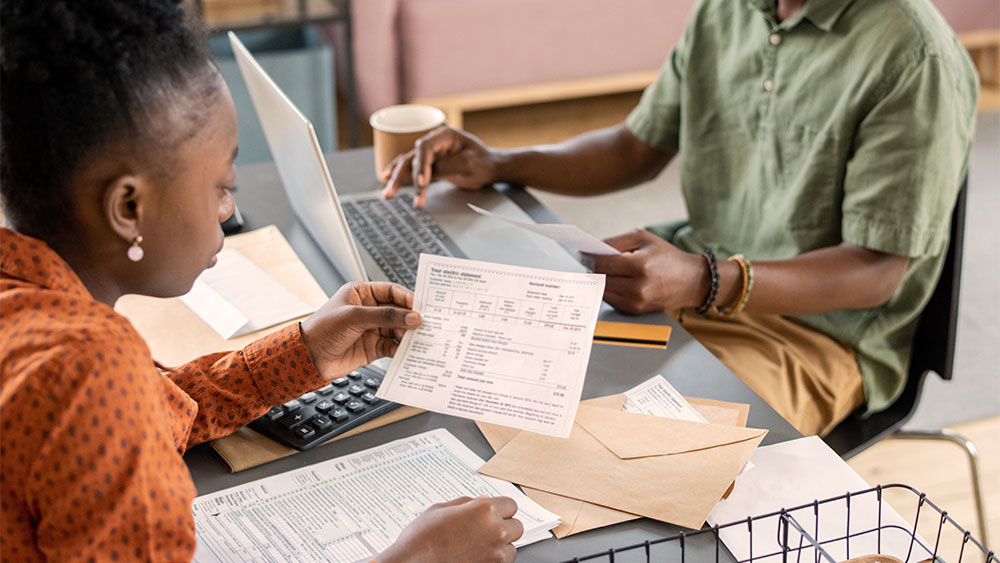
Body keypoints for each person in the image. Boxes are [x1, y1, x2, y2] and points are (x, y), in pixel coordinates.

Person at [0, 1, 522, 561]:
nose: (229, 210)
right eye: (222, 185)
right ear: (128, 206)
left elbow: (153, 412)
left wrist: (299, 354)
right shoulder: (92, 372)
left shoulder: (30, 309)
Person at [382, 0, 979, 436]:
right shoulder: (729, 10)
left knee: (634, 451)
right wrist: (501, 161)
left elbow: (876, 270)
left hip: (815, 339)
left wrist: (703, 278)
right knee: (494, 378)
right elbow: (636, 147)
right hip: (691, 279)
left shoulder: (913, 54)